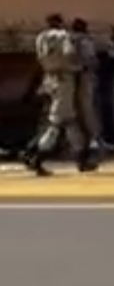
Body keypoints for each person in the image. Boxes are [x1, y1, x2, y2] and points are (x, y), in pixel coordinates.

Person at [23, 14, 94, 175]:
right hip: (65, 80)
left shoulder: (41, 37)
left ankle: (81, 159)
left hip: (50, 78)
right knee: (58, 122)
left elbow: (40, 58)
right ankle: (37, 156)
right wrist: (79, 67)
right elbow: (69, 54)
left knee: (70, 121)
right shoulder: (63, 36)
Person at [70, 17, 105, 154]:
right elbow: (92, 61)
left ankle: (87, 140)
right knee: (88, 108)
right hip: (85, 77)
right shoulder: (84, 41)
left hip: (76, 78)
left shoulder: (70, 40)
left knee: (78, 110)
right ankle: (94, 138)